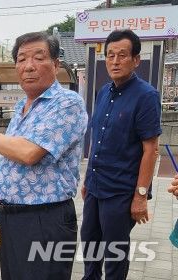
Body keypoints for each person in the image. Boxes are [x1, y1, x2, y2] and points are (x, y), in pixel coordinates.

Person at [0, 31, 88, 280]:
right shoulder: (22, 107)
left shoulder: (67, 103)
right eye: (22, 59)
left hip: (44, 221)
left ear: (55, 64)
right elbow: (6, 161)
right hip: (12, 220)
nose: (29, 66)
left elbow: (29, 153)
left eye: (38, 57)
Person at [81, 29, 161, 280]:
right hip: (95, 186)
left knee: (114, 252)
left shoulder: (146, 96)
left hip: (120, 192)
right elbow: (97, 138)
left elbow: (151, 150)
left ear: (135, 60)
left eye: (122, 55)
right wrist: (87, 180)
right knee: (90, 243)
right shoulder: (104, 92)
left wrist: (140, 196)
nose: (114, 61)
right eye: (110, 55)